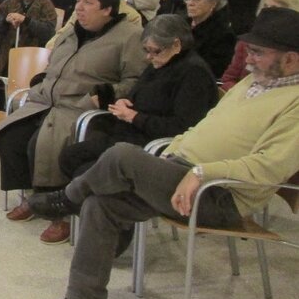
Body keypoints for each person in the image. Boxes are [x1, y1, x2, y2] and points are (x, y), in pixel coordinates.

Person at [30, 7, 299, 299]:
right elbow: (201, 128)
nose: (248, 59)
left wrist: (201, 173)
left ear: (290, 59)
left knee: (122, 155)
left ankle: (66, 199)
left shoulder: (294, 102)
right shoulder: (251, 83)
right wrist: (172, 154)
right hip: (182, 171)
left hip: (221, 195)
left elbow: (268, 166)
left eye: (258, 52)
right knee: (100, 204)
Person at [0, 0, 146, 244]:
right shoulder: (71, 31)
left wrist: (104, 95)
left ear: (107, 9)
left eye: (88, 3)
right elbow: (55, 66)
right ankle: (34, 197)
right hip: (46, 99)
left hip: (81, 106)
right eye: (78, 1)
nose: (79, 7)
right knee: (12, 135)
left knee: (44, 143)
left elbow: (136, 80)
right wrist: (41, 81)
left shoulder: (130, 36)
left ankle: (61, 212)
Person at [59, 14, 218, 185]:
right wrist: (123, 101)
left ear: (176, 45)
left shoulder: (194, 75)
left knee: (85, 171)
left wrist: (134, 117)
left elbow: (183, 127)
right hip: (127, 134)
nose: (148, 57)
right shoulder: (161, 62)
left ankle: (72, 197)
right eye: (146, 50)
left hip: (150, 145)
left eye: (155, 51)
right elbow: (140, 95)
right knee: (70, 156)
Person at [222, 0, 299, 89]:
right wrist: (244, 92)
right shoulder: (247, 43)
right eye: (265, 7)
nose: (266, 14)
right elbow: (229, 78)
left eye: (275, 9)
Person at [0, 0, 57, 76]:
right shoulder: (10, 2)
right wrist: (5, 21)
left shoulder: (46, 5)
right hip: (8, 49)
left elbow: (49, 32)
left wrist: (26, 20)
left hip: (35, 51)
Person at [184, 0, 236, 77]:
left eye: (196, 0)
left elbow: (213, 70)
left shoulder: (223, 34)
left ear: (213, 3)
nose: (190, 3)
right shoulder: (181, 24)